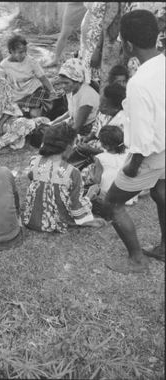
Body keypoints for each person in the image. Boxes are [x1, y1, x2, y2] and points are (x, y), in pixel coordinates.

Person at [104, 10, 165, 273]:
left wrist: (132, 165)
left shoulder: (139, 83)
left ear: (128, 45)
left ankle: (137, 260)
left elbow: (141, 137)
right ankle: (164, 248)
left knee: (112, 203)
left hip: (151, 155)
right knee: (161, 192)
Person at [23, 124, 105, 232]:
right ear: (68, 147)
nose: (75, 147)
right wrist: (89, 196)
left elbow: (34, 179)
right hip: (55, 223)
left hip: (30, 220)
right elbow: (75, 206)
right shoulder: (73, 172)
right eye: (75, 143)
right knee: (90, 192)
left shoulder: (34, 161)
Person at [0, 35, 56, 118]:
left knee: (34, 114)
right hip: (17, 96)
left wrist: (52, 90)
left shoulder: (31, 61)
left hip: (34, 91)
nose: (24, 54)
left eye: (25, 51)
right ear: (12, 51)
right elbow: (1, 85)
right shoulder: (4, 66)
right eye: (21, 52)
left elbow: (42, 77)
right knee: (15, 115)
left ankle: (41, 115)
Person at [85, 125, 137, 206]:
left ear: (106, 145)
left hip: (108, 195)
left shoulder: (100, 158)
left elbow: (96, 180)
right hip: (127, 196)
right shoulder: (129, 153)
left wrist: (91, 172)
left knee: (93, 185)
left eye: (100, 140)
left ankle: (85, 202)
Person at [49, 58, 99, 136]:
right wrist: (53, 123)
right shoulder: (71, 90)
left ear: (78, 81)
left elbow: (77, 127)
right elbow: (71, 112)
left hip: (88, 131)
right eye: (61, 82)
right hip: (75, 122)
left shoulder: (86, 97)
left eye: (66, 83)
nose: (63, 86)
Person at [44, 3, 87, 68]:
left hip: (87, 6)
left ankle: (85, 58)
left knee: (86, 34)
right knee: (64, 34)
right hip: (72, 6)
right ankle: (56, 60)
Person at [79, 2, 106, 83]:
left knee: (94, 63)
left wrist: (98, 49)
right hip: (87, 37)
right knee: (86, 63)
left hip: (98, 36)